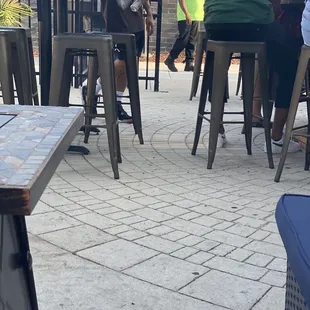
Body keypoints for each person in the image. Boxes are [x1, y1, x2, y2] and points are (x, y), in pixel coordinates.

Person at [204, 0, 301, 153]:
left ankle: (217, 130)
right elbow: (275, 5)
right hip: (255, 24)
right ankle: (276, 138)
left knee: (218, 67)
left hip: (216, 22)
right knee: (290, 65)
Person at [81, 0, 154, 123]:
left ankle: (116, 104)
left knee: (131, 63)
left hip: (136, 18)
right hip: (119, 18)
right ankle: (91, 87)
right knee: (124, 62)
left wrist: (149, 13)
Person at [164, 0, 204, 72]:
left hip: (197, 15)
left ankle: (189, 63)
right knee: (183, 39)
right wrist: (186, 13)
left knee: (192, 40)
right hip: (185, 15)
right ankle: (170, 59)